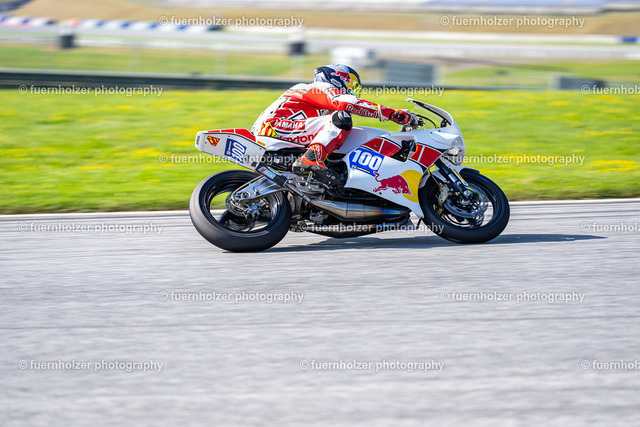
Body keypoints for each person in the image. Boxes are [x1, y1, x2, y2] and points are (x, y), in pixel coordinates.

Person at [251, 64, 417, 184]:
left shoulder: (317, 100)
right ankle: (310, 159)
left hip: (277, 130)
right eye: (351, 84)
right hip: (274, 127)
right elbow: (345, 103)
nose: (353, 90)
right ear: (338, 78)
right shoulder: (320, 87)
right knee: (341, 118)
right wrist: (391, 113)